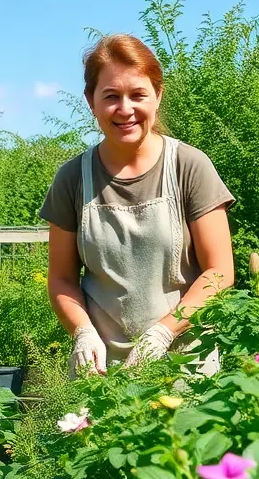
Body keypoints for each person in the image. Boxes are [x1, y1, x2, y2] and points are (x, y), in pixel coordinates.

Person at [41, 34, 236, 377]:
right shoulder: (73, 178)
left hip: (184, 366)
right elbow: (61, 279)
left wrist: (163, 332)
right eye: (111, 96)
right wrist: (83, 333)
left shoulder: (188, 166)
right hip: (100, 375)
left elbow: (219, 273)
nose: (125, 109)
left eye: (138, 95)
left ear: (158, 96)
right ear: (91, 101)